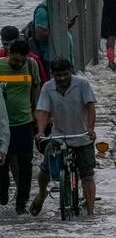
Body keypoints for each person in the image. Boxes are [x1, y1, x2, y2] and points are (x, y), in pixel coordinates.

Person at [30, 58, 97, 217]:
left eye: (65, 74)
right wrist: (40, 132)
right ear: (53, 74)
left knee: (87, 175)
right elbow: (42, 111)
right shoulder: (48, 87)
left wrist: (90, 129)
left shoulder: (82, 84)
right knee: (45, 170)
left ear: (71, 71)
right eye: (58, 75)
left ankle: (91, 211)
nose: (62, 78)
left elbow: (90, 106)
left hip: (82, 137)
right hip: (58, 136)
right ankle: (41, 194)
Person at [0, 38, 41, 214]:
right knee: (2, 164)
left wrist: (35, 110)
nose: (18, 64)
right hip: (2, 126)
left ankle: (21, 203)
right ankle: (3, 194)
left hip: (24, 123)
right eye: (15, 60)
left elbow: (36, 86)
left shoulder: (31, 65)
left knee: (26, 165)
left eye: (21, 61)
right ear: (8, 53)